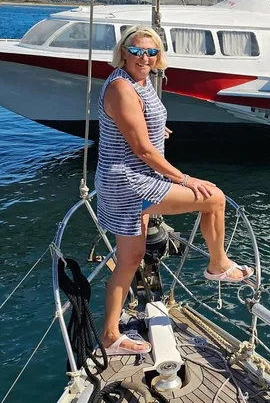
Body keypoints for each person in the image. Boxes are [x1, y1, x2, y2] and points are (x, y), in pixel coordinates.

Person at [95, 26, 252, 356]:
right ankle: (218, 265)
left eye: (151, 52)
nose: (144, 57)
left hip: (125, 179)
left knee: (130, 259)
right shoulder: (122, 87)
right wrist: (184, 179)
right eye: (137, 51)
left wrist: (155, 127)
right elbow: (142, 149)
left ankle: (110, 335)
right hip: (129, 182)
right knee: (213, 199)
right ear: (123, 52)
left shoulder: (141, 81)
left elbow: (137, 124)